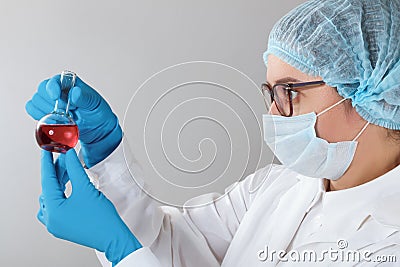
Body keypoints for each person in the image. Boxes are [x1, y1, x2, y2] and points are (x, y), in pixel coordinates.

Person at [25, 0, 400, 266]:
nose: (272, 111)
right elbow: (175, 250)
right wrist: (106, 152)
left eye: (290, 91)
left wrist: (122, 250)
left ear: (373, 92)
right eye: (270, 92)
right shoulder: (276, 187)